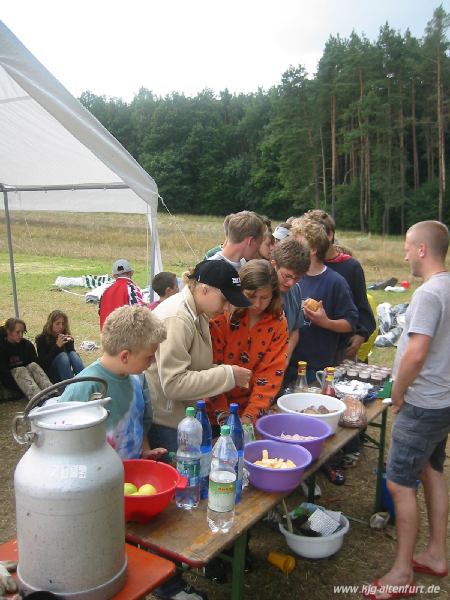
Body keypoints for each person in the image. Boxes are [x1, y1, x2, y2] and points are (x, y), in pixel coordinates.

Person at [364, 221, 450, 600]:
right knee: (431, 470)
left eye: (406, 246)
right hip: (442, 400)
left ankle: (401, 574)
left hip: (422, 404)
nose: (403, 254)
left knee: (399, 483)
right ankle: (435, 554)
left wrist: (397, 394)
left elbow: (416, 352)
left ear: (421, 250)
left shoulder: (430, 294)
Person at [146, 259, 252, 454]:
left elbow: (193, 367)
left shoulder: (198, 312)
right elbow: (174, 384)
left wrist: (225, 373)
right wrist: (228, 375)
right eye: (225, 300)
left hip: (182, 417)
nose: (228, 308)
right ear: (204, 289)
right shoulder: (177, 318)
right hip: (167, 423)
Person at [58, 305, 167, 460]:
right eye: (149, 356)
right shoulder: (85, 387)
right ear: (125, 357)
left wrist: (144, 451)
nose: (153, 360)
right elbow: (62, 443)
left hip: (132, 476)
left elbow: (138, 420)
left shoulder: (138, 378)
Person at [209, 259, 288, 424]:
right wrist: (224, 416)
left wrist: (248, 418)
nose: (257, 304)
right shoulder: (221, 315)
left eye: (265, 297)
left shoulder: (277, 322)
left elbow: (271, 374)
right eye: (251, 296)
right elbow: (210, 368)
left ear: (274, 294)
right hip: (212, 411)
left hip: (252, 410)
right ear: (239, 290)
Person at [289, 218, 358, 382]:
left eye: (298, 244)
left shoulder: (335, 282)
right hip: (288, 363)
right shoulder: (290, 278)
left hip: (318, 367)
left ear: (313, 249)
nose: (293, 248)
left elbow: (351, 323)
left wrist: (326, 322)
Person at [303, 209, 376, 361]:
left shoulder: (349, 267)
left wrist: (360, 336)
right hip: (308, 350)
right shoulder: (303, 266)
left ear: (329, 235)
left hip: (340, 349)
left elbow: (363, 310)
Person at [271, 237, 311, 364]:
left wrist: (286, 357)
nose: (290, 283)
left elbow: (294, 330)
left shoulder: (296, 289)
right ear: (274, 265)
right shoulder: (261, 291)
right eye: (287, 276)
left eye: (297, 278)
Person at [0, 318, 51, 400]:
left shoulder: (27, 345)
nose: (20, 335)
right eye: (17, 332)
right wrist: (20, 389)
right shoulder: (2, 348)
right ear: (9, 331)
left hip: (30, 380)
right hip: (13, 382)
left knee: (33, 365)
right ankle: (39, 399)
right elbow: (4, 374)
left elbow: (36, 365)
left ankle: (52, 393)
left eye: (22, 332)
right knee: (20, 370)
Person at [36, 310, 84, 383]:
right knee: (62, 356)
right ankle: (70, 388)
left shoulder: (64, 336)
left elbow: (71, 359)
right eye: (57, 324)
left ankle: (85, 383)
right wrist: (57, 346)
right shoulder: (41, 339)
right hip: (51, 374)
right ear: (51, 324)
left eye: (63, 324)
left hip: (65, 373)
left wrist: (70, 345)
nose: (61, 326)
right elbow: (43, 364)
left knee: (73, 354)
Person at [99, 259, 146, 330]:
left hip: (106, 336)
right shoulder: (132, 288)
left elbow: (100, 312)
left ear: (114, 276)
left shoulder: (105, 291)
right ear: (131, 273)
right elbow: (140, 313)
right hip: (125, 336)